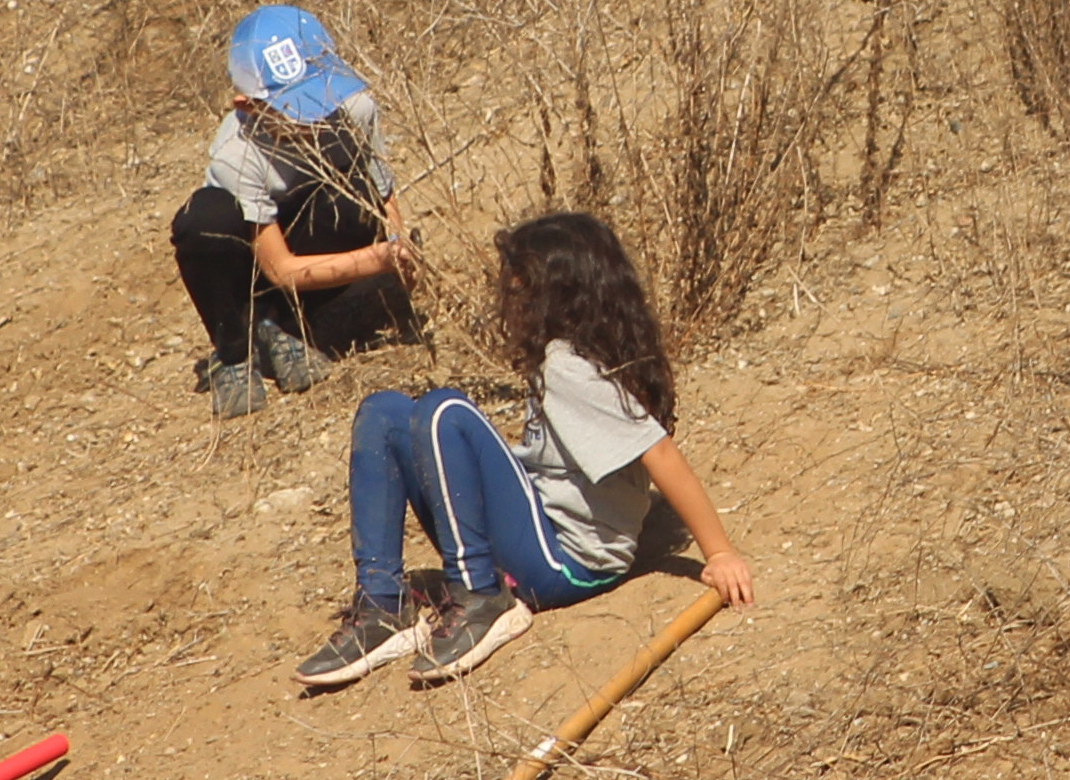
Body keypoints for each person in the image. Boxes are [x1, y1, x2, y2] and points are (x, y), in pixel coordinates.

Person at [295, 210, 758, 692]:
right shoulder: (558, 361)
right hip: (536, 535)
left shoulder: (572, 367)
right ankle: (381, 604)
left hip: (568, 564)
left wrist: (720, 552)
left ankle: (481, 597)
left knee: (444, 411)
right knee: (384, 412)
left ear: (558, 299)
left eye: (518, 293)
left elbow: (659, 453)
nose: (508, 304)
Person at [173, 4, 419, 420]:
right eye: (291, 107)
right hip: (257, 269)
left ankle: (287, 325)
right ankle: (237, 349)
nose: (310, 117)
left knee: (356, 186)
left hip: (315, 237)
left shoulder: (355, 112)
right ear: (247, 105)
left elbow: (382, 194)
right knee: (204, 218)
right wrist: (378, 260)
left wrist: (397, 243)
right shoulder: (237, 156)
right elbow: (280, 270)